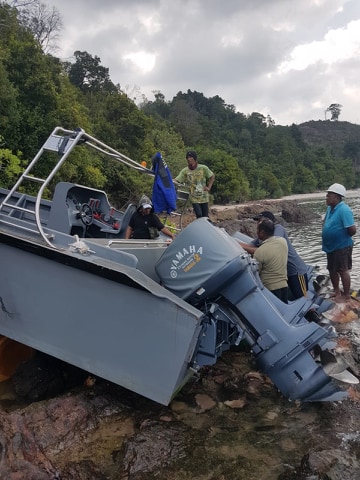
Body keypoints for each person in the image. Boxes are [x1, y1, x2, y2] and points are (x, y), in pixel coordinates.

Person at [240, 211, 309, 299]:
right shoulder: (263, 236)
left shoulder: (277, 229)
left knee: (302, 298)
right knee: (294, 296)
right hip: (284, 273)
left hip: (295, 270)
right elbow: (249, 246)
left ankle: (312, 312)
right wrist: (232, 243)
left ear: (268, 221)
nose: (257, 224)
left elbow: (271, 249)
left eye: (259, 221)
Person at [322, 183, 356, 301]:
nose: (326, 196)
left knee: (342, 269)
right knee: (331, 269)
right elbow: (325, 222)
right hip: (330, 246)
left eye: (329, 195)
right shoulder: (329, 209)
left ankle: (346, 295)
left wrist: (339, 235)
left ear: (337, 197)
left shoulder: (344, 210)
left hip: (342, 246)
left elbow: (352, 230)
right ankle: (336, 291)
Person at [251, 218, 289, 303]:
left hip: (270, 289)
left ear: (262, 232)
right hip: (284, 285)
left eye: (257, 229)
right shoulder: (283, 242)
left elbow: (255, 273)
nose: (256, 232)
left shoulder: (260, 252)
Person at [174, 150, 215, 218]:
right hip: (194, 197)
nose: (189, 159)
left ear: (195, 158)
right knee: (199, 215)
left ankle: (206, 227)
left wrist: (209, 187)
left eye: (191, 157)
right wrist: (167, 179)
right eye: (187, 157)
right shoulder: (185, 170)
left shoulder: (203, 168)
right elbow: (177, 179)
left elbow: (212, 176)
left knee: (205, 217)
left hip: (203, 196)